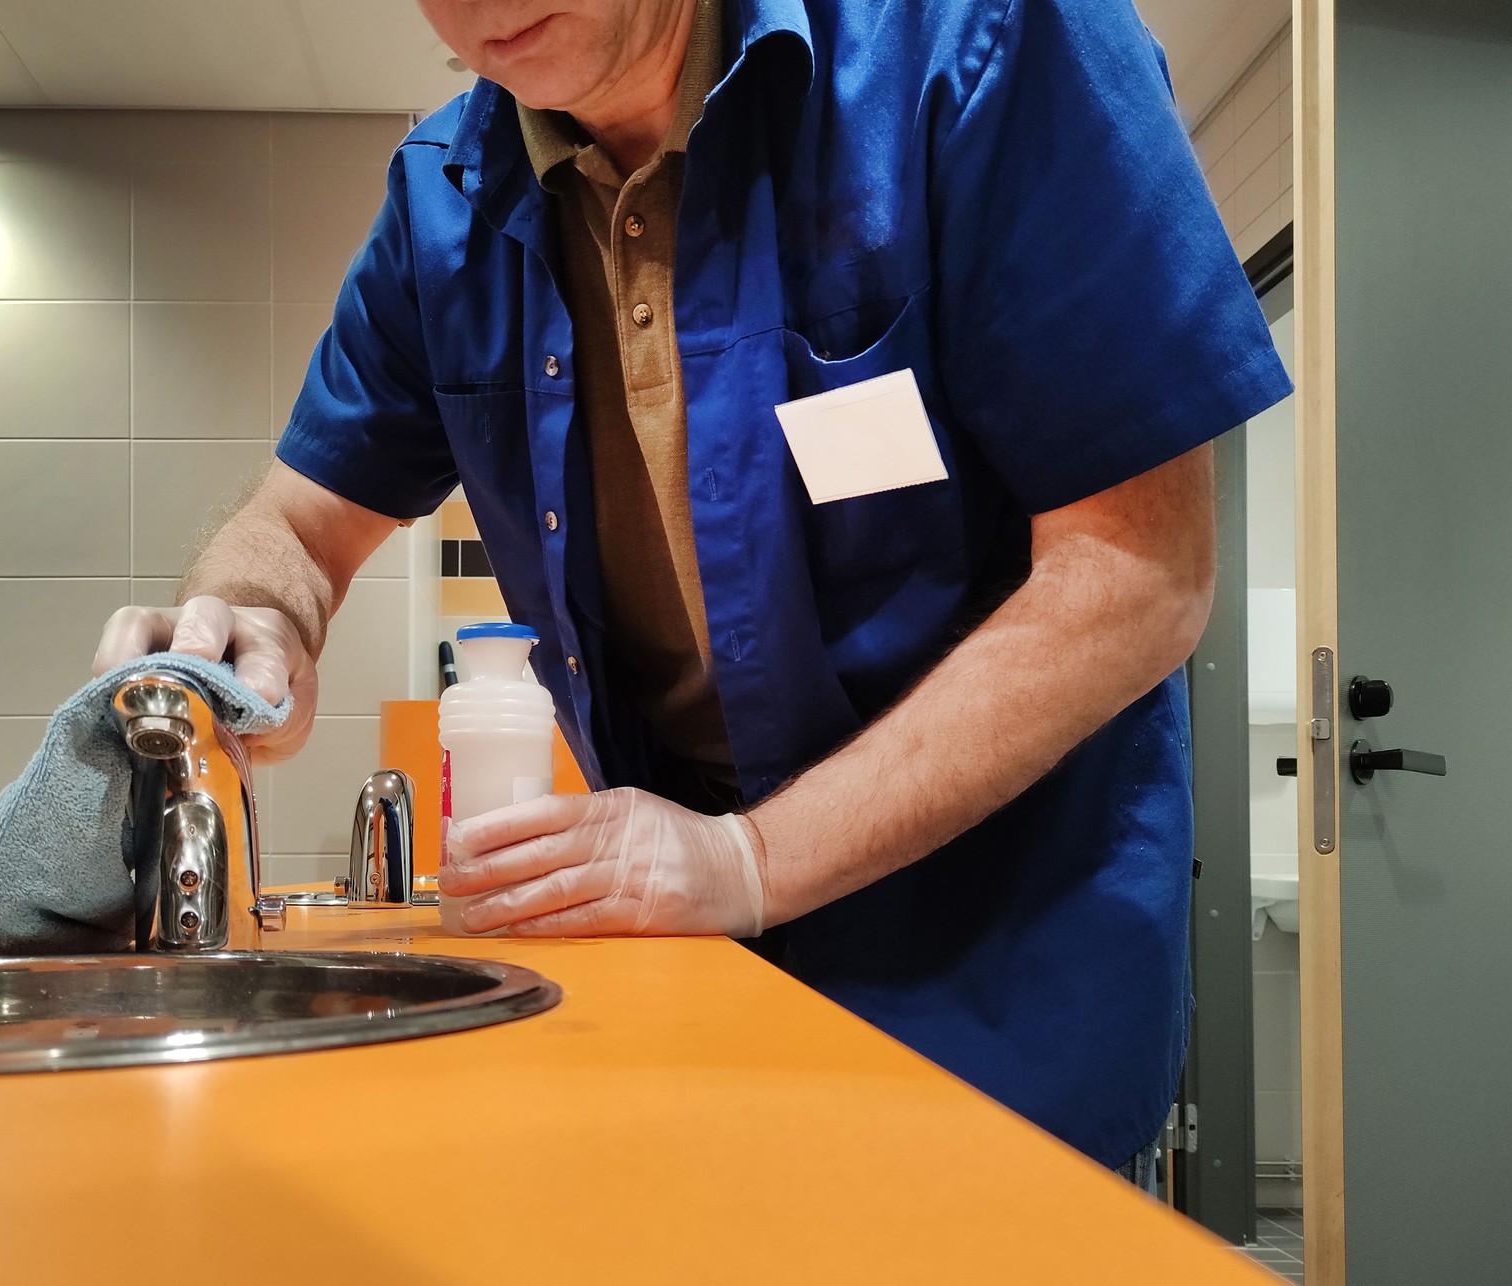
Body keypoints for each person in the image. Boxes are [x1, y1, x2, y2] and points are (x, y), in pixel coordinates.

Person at [94, 0, 1291, 1180]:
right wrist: (252, 617)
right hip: (683, 983)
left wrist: (751, 858)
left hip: (992, 992)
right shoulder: (444, 199)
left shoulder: (982, 43)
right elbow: (297, 527)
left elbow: (1138, 572)